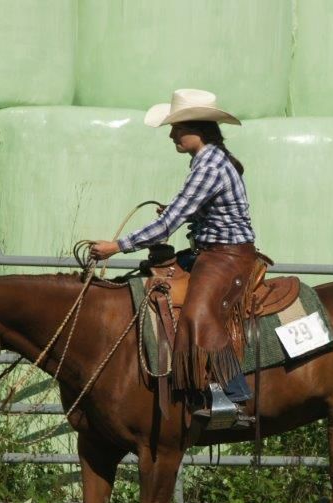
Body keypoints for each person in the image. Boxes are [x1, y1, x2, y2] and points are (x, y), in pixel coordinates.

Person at [90, 89, 257, 426]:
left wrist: (117, 246)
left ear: (198, 130)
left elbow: (167, 226)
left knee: (197, 312)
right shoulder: (208, 160)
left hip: (227, 256)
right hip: (211, 251)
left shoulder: (209, 165)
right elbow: (201, 210)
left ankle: (235, 398)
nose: (172, 136)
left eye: (178, 129)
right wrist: (184, 212)